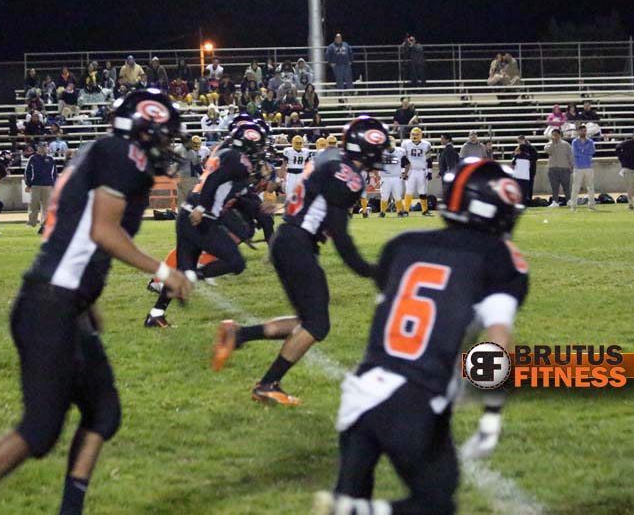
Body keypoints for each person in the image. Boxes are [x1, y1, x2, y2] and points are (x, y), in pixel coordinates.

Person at [0, 90, 192, 515]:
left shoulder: (104, 153)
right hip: (50, 304)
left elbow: (79, 235)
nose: (167, 147)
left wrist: (87, 302)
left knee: (103, 412)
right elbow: (103, 231)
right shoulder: (121, 155)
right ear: (142, 131)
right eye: (162, 136)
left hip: (63, 301)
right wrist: (164, 271)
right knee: (40, 430)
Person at [312, 158, 528, 515]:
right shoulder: (500, 259)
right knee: (436, 502)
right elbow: (497, 343)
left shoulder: (403, 244)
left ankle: (349, 508)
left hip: (362, 390)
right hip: (416, 398)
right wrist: (491, 416)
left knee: (352, 492)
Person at [211, 117, 389, 404]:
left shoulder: (331, 157)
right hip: (298, 243)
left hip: (289, 238)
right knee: (317, 325)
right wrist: (370, 270)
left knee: (307, 320)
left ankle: (238, 335)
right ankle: (267, 384)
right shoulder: (347, 176)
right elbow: (340, 235)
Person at [144, 123, 267, 328]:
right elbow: (214, 181)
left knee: (183, 270)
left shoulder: (226, 154)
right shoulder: (238, 160)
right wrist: (202, 208)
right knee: (236, 263)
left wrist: (256, 212)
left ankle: (156, 315)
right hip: (201, 218)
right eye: (258, 147)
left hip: (188, 214)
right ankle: (193, 276)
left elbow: (232, 192)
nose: (260, 152)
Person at [25, 142, 57, 233]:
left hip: (48, 185)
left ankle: (44, 224)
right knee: (33, 204)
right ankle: (32, 222)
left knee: (46, 206)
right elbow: (28, 172)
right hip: (35, 185)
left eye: (45, 147)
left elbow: (54, 173)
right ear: (38, 148)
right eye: (42, 147)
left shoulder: (50, 159)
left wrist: (55, 184)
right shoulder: (33, 158)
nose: (44, 148)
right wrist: (28, 184)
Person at [401, 127, 433, 216]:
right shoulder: (405, 143)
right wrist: (403, 172)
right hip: (410, 171)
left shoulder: (426, 144)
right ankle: (406, 211)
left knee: (423, 191)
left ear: (421, 135)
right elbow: (403, 159)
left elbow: (429, 159)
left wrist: (429, 172)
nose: (415, 136)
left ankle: (425, 211)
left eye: (417, 134)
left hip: (422, 171)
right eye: (413, 134)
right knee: (409, 191)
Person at [570, 125, 597, 212]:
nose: (583, 132)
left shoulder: (590, 141)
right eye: (581, 131)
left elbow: (592, 151)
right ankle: (573, 206)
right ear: (578, 132)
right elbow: (575, 153)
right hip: (578, 167)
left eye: (585, 131)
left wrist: (582, 151)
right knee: (576, 187)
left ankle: (591, 206)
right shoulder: (575, 142)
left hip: (588, 166)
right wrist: (585, 151)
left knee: (590, 187)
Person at [545, 129, 573, 207]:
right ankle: (555, 201)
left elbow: (570, 155)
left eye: (556, 134)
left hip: (564, 168)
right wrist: (553, 143)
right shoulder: (548, 144)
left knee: (566, 186)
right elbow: (548, 151)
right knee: (554, 187)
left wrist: (571, 165)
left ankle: (569, 200)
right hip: (552, 168)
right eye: (553, 135)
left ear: (560, 135)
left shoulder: (566, 144)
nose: (555, 136)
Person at [380, 136, 407, 217]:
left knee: (397, 196)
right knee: (384, 196)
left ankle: (400, 212)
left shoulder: (400, 151)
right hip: (385, 177)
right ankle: (382, 212)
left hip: (396, 177)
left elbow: (407, 163)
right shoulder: (381, 152)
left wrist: (405, 173)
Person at [512, 135, 538, 203]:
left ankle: (528, 199)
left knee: (529, 185)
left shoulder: (531, 148)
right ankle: (523, 199)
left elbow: (535, 157)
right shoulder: (518, 148)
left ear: (523, 140)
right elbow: (514, 158)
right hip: (522, 172)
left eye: (520, 141)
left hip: (529, 170)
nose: (519, 143)